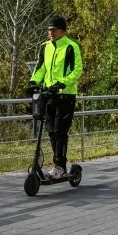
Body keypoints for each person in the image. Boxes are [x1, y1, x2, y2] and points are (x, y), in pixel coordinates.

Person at [27, 16, 83, 179]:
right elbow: (40, 67)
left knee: (60, 131)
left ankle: (60, 166)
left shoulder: (71, 47)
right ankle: (58, 165)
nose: (50, 32)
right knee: (51, 131)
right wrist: (33, 81)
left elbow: (77, 70)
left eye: (54, 29)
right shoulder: (45, 47)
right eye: (49, 29)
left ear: (63, 31)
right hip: (48, 95)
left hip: (65, 95)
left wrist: (61, 84)